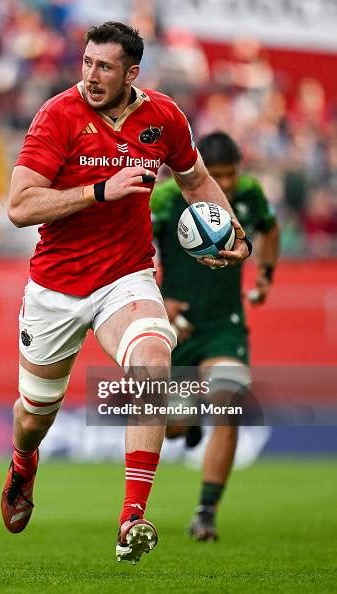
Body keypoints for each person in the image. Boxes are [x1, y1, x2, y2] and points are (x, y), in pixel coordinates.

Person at [1, 22, 250, 564]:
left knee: (154, 363)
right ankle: (23, 462)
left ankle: (131, 517)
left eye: (104, 66)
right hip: (56, 287)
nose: (90, 75)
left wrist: (233, 230)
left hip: (126, 278)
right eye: (87, 62)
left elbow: (196, 180)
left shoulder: (163, 117)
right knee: (33, 415)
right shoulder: (57, 115)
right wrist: (98, 191)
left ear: (131, 73)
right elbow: (19, 207)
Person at [151, 131, 280, 541]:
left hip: (224, 324)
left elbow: (270, 229)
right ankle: (186, 423)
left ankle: (206, 512)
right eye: (216, 175)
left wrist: (265, 274)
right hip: (177, 327)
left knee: (228, 401)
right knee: (168, 425)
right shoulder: (165, 199)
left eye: (230, 175)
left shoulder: (250, 193)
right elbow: (135, 246)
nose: (224, 185)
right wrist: (158, 297)